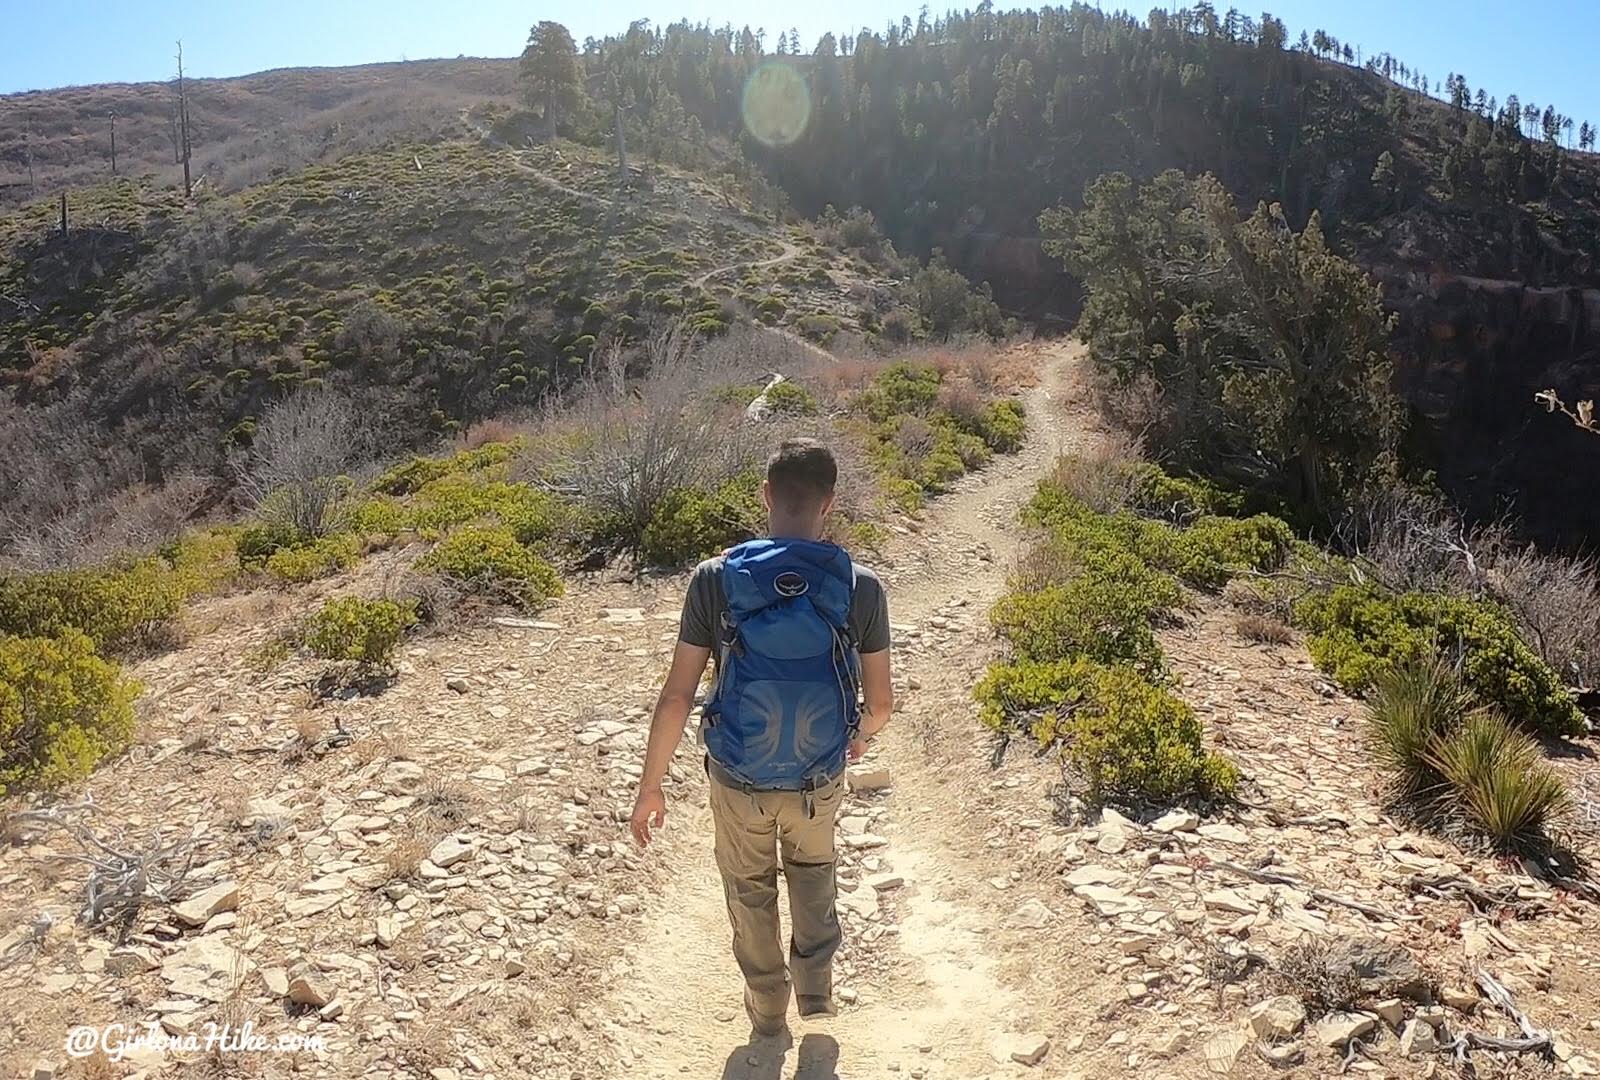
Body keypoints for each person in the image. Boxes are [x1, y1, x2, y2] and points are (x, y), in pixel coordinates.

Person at [629, 437, 894, 1036]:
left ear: (766, 494)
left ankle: (767, 1004)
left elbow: (677, 696)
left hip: (737, 773)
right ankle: (816, 985)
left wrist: (652, 787)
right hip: (817, 772)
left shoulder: (715, 581)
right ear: (830, 503)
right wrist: (858, 739)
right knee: (814, 864)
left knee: (748, 886)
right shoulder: (861, 586)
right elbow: (880, 704)